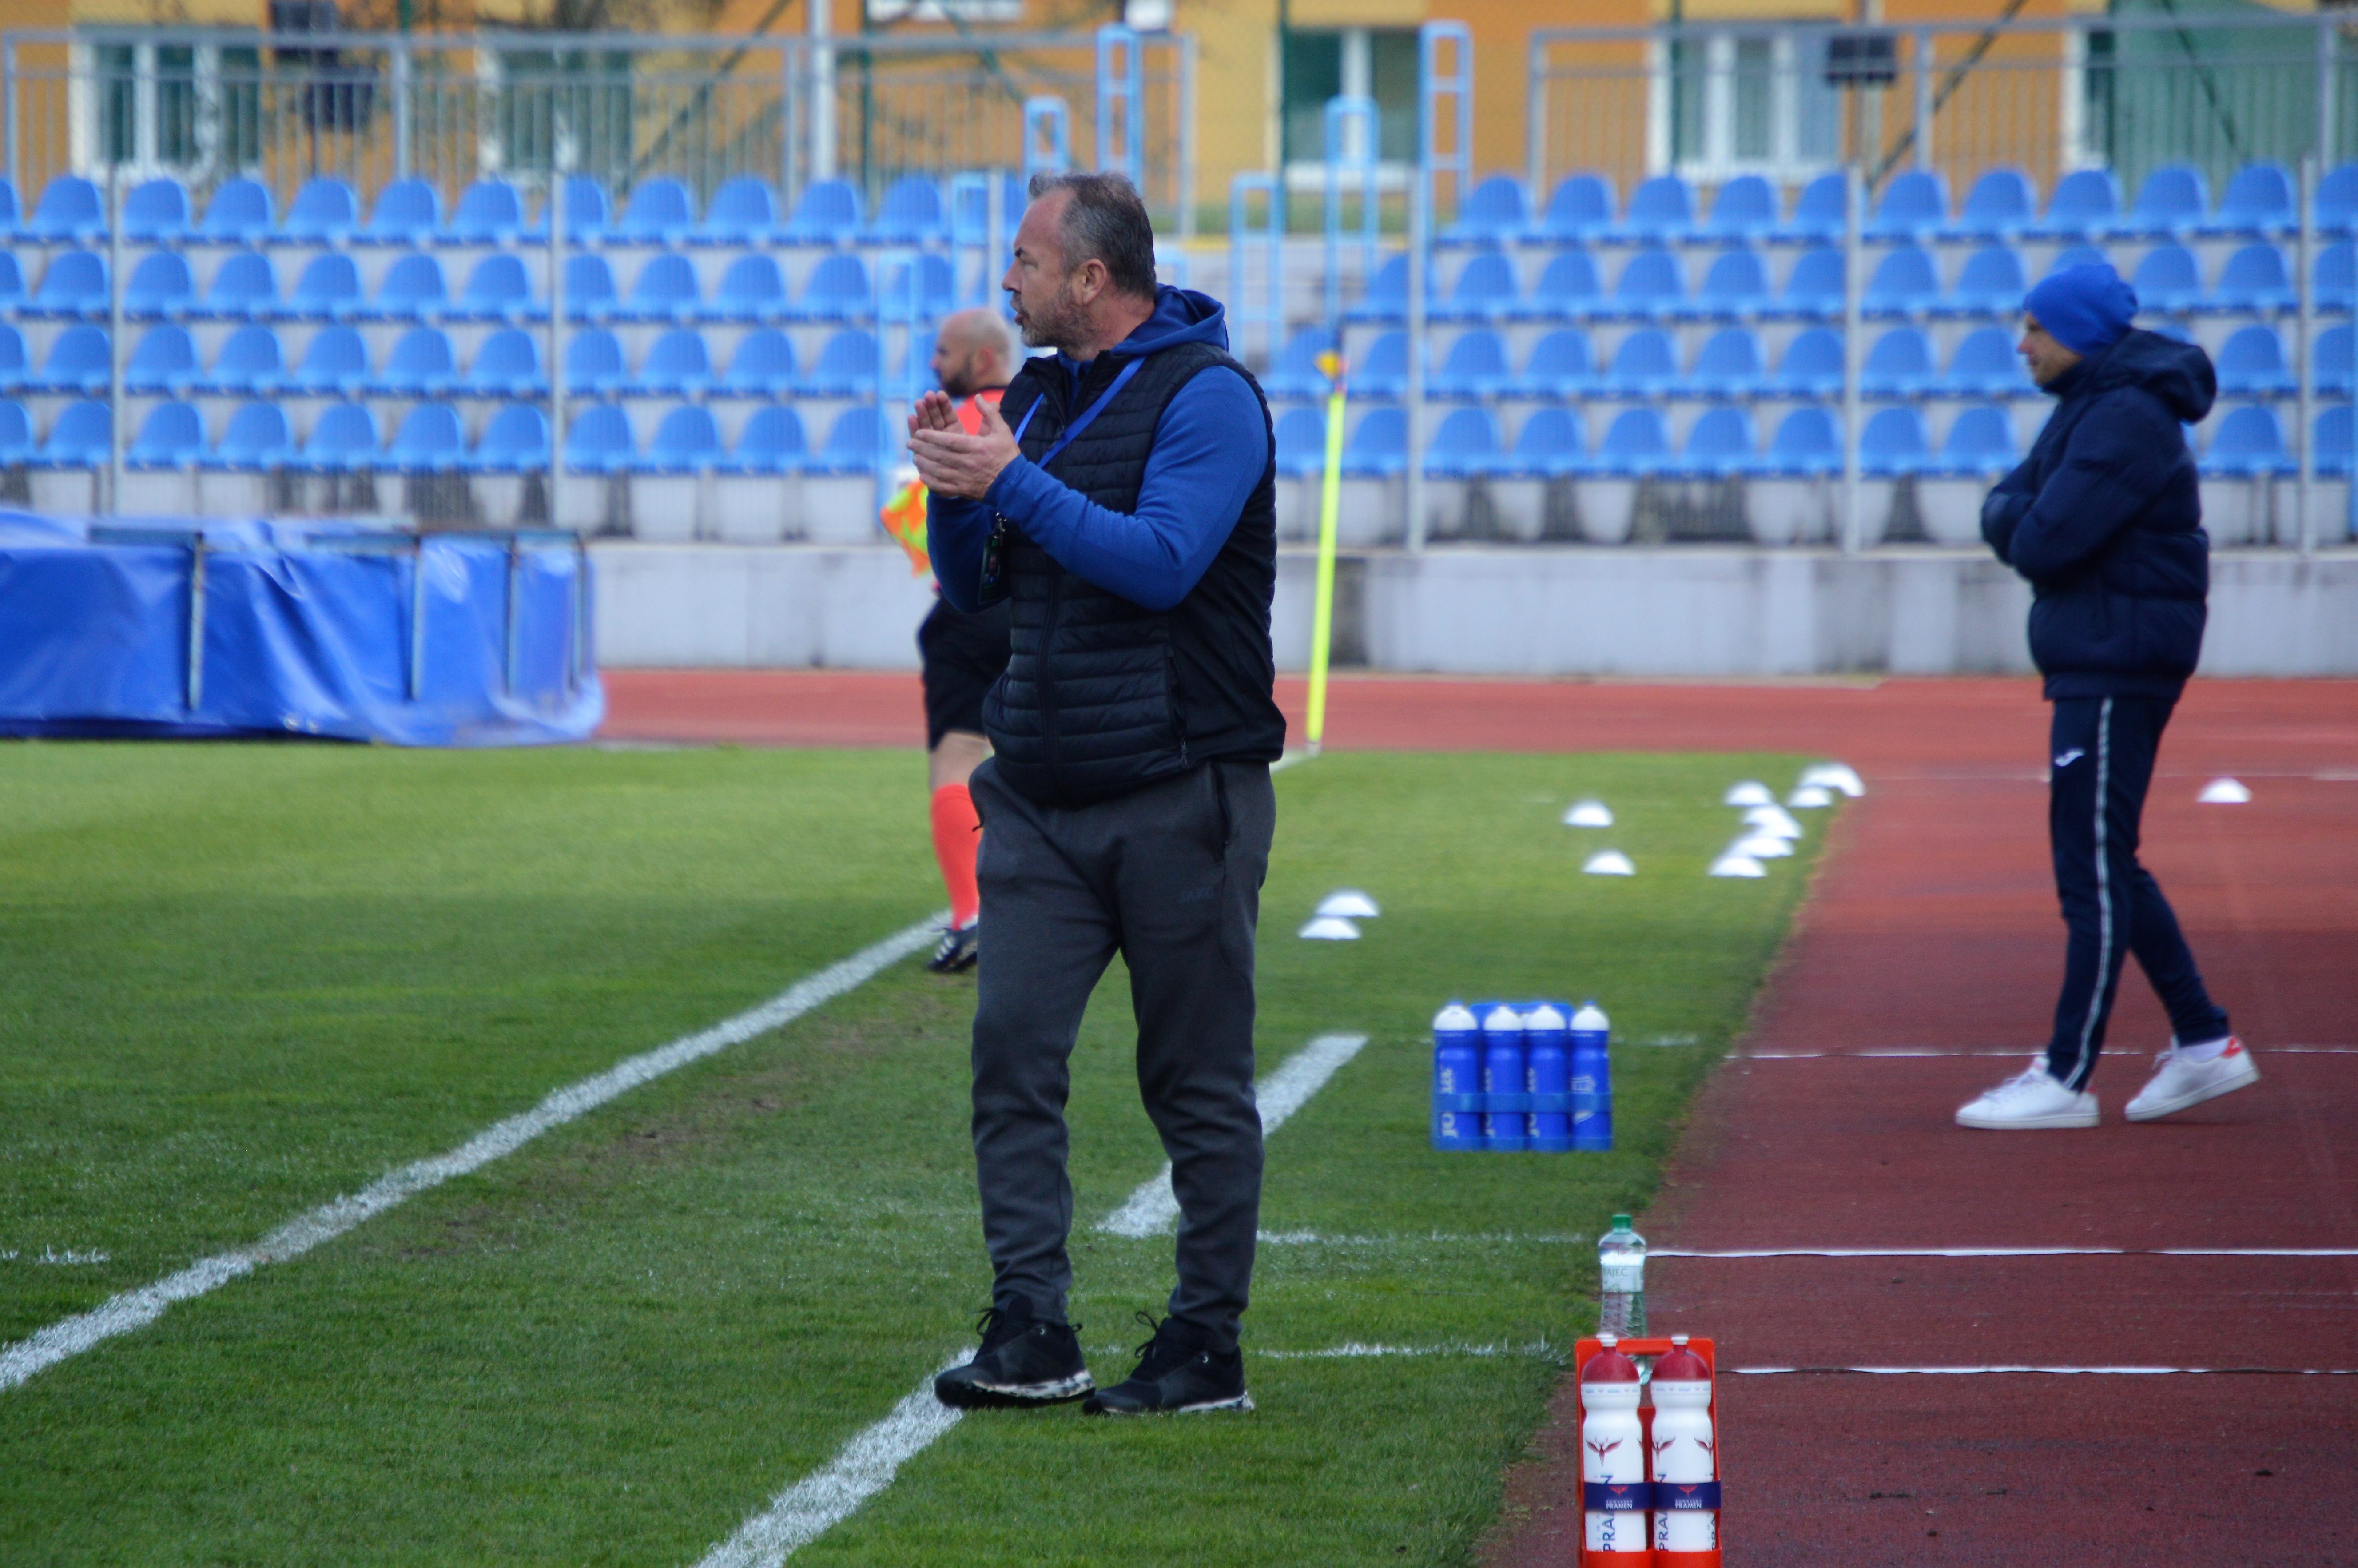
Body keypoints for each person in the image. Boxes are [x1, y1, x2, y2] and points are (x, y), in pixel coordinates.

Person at [906, 171, 1281, 1415]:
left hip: (1182, 787)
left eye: (1024, 259)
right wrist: (956, 488)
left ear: (1090, 276)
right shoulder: (1034, 396)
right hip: (1042, 792)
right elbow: (977, 590)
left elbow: (1163, 564)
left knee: (1192, 1082)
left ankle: (1204, 1345)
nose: (1004, 280)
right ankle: (1032, 1325)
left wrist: (1007, 478)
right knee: (1010, 1056)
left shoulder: (1209, 397)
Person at [1956, 263, 2256, 1131]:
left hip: (2115, 657)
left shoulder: (2123, 417)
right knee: (2107, 858)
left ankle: (2066, 1075)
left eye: (2036, 329)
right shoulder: (2092, 405)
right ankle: (2203, 1040)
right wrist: (2017, 514)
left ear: (2081, 334)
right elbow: (2011, 506)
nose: (2022, 345)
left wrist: (2016, 517)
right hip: (2103, 650)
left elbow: (2036, 538)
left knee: (2089, 867)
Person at [882, 307, 1020, 974]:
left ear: (982, 359)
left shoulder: (953, 422)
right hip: (1042, 609)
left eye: (944, 352)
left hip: (970, 610)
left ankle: (970, 917)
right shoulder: (1046, 412)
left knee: (959, 755)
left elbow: (909, 519)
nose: (934, 363)